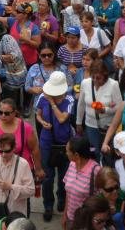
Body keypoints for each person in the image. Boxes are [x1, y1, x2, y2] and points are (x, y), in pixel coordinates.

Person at [37, 71, 74, 222]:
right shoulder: (42, 97)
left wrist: (52, 103)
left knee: (63, 177)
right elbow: (38, 114)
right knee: (47, 177)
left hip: (64, 143)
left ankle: (61, 199)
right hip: (46, 142)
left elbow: (62, 118)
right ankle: (48, 205)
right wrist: (42, 122)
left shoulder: (69, 100)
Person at [76, 60, 123, 162]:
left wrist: (104, 110)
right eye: (93, 77)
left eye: (98, 78)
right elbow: (81, 104)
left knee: (108, 154)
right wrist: (78, 122)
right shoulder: (85, 83)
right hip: (90, 125)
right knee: (94, 152)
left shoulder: (113, 85)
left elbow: (120, 107)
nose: (95, 80)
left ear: (105, 75)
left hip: (108, 126)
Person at [0, 133, 35, 220]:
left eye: (7, 151)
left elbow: (31, 190)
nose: (3, 154)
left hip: (16, 213)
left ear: (14, 148)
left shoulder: (23, 164)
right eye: (0, 151)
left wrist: (11, 187)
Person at [63, 136, 101, 229]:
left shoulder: (96, 170)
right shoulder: (72, 165)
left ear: (76, 155)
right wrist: (65, 215)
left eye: (67, 151)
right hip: (70, 219)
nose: (66, 153)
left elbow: (101, 198)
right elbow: (68, 193)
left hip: (86, 222)